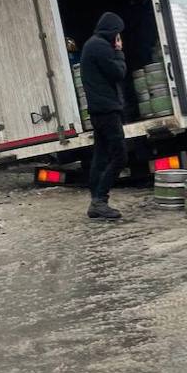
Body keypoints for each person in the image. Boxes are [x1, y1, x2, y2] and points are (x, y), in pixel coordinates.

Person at [79, 12, 128, 219]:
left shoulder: (92, 44)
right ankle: (100, 201)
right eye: (118, 34)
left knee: (100, 157)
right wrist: (119, 52)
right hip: (106, 111)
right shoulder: (100, 46)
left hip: (100, 110)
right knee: (120, 156)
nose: (119, 39)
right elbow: (118, 73)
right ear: (113, 32)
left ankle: (95, 201)